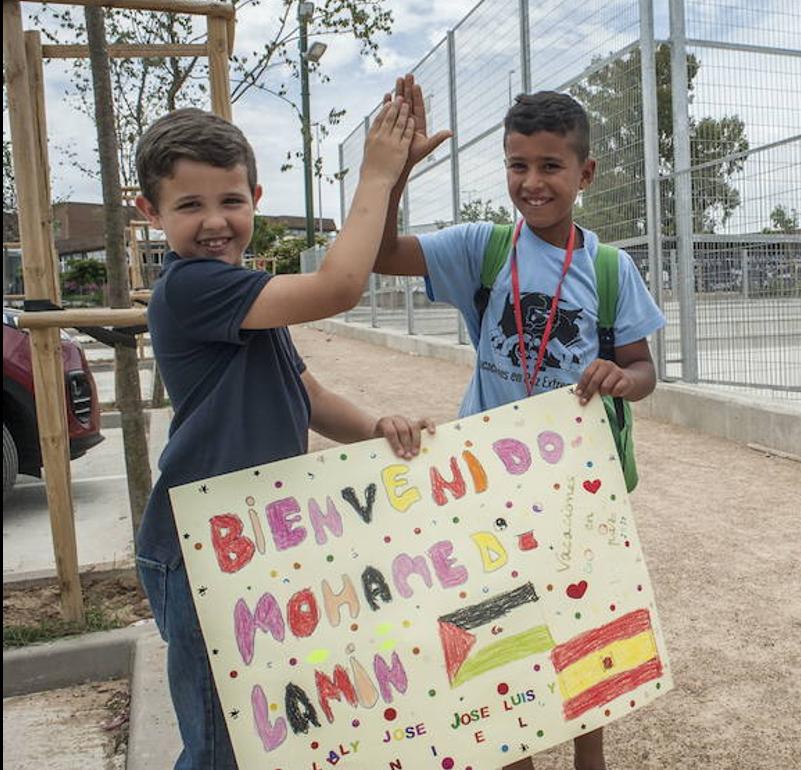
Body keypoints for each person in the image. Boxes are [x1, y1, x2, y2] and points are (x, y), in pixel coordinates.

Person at [132, 91, 449, 770]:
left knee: (275, 723)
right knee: (222, 744)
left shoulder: (240, 291)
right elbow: (339, 286)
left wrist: (374, 427)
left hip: (257, 542)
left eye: (231, 200)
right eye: (189, 206)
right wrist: (375, 179)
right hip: (202, 552)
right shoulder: (191, 288)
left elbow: (305, 392)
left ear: (256, 196)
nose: (215, 222)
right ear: (150, 213)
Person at [372, 78, 665, 770]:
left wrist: (621, 378)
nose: (532, 182)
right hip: (486, 481)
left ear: (584, 173)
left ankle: (589, 757)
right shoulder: (483, 247)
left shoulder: (609, 268)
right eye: (517, 166)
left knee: (583, 622)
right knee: (498, 622)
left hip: (575, 486)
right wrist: (395, 173)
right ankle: (515, 753)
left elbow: (644, 370)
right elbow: (383, 255)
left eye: (550, 166)